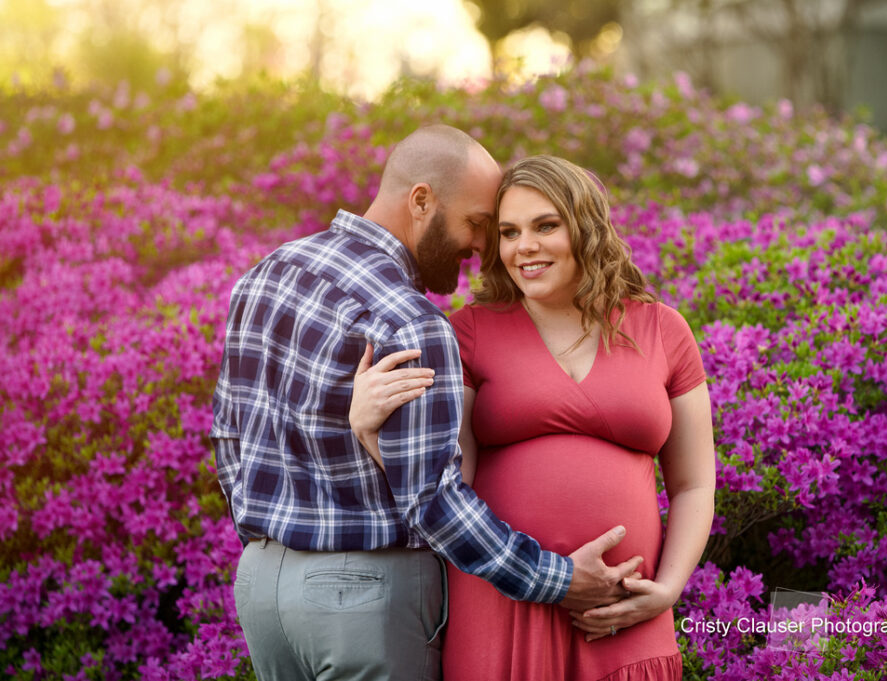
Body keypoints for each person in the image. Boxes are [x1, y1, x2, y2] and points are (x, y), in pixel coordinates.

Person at [210, 128, 643, 681]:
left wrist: (268, 545)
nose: (483, 248)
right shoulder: (410, 320)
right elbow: (433, 501)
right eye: (479, 224)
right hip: (363, 596)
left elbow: (228, 437)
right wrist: (557, 579)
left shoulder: (268, 273)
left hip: (262, 590)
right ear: (421, 201)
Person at [350, 154, 716, 680]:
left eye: (546, 225)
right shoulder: (469, 332)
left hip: (623, 610)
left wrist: (668, 589)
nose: (525, 247)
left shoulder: (663, 329)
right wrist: (367, 429)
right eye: (508, 231)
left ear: (586, 228)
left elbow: (694, 483)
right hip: (503, 606)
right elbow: (447, 483)